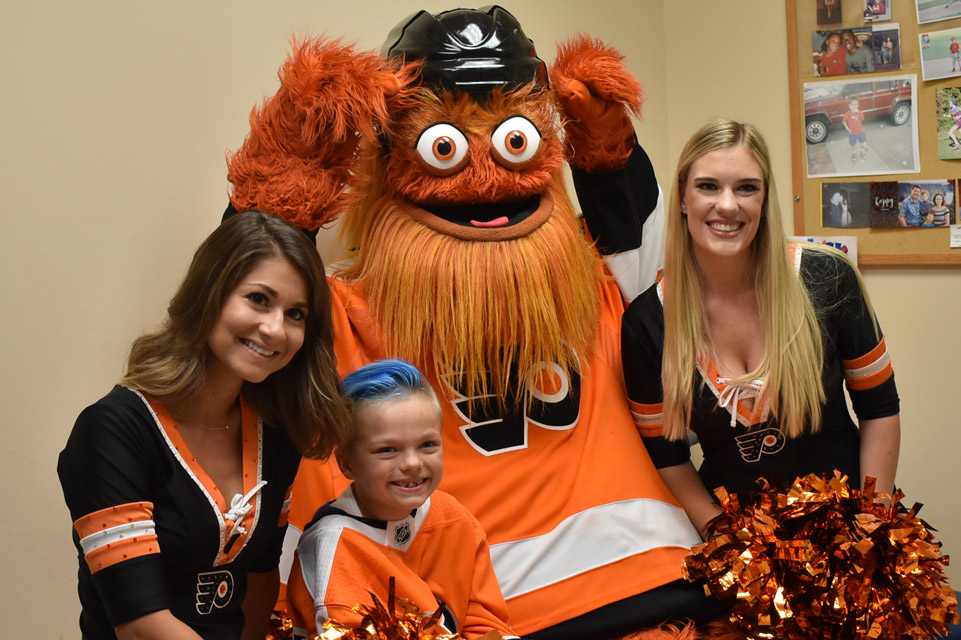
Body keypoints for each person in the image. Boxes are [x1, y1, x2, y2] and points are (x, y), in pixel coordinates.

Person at [57, 210, 351, 640]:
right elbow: (140, 625)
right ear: (210, 293)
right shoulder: (112, 431)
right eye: (258, 299)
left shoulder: (278, 433)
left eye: (296, 314)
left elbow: (261, 578)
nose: (275, 329)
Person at [621, 120, 901, 538]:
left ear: (766, 199)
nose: (728, 205)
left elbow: (879, 408)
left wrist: (873, 520)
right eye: (709, 186)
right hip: (742, 550)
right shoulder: (646, 322)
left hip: (848, 532)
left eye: (747, 188)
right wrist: (721, 536)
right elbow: (667, 455)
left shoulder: (827, 277)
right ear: (682, 198)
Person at [286, 359, 517, 640]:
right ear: (347, 464)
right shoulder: (333, 544)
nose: (411, 463)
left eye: (427, 444)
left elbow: (487, 625)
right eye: (387, 450)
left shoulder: (453, 516)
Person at [843, 97, 868, 162]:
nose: (854, 106)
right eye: (853, 105)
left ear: (858, 105)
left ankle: (862, 151)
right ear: (849, 105)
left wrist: (859, 113)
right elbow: (844, 121)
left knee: (862, 142)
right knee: (853, 144)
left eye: (856, 104)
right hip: (852, 133)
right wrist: (847, 128)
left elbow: (862, 120)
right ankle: (853, 153)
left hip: (860, 131)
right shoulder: (847, 114)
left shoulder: (860, 112)